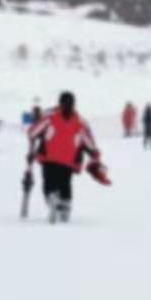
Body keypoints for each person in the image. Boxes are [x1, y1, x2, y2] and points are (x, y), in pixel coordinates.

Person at [27, 91, 101, 223]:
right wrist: (94, 154)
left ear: (59, 102)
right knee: (65, 182)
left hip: (48, 157)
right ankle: (65, 205)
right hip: (68, 160)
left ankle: (51, 198)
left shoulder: (50, 116)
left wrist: (34, 136)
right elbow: (89, 142)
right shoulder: (81, 122)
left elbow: (33, 132)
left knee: (49, 181)